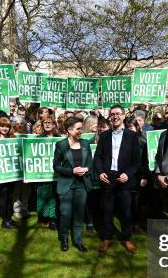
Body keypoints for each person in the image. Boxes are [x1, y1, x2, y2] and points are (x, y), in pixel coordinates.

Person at [94, 104, 140, 254]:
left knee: (125, 211)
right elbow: (98, 157)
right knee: (107, 210)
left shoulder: (132, 136)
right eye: (112, 114)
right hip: (108, 178)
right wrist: (100, 172)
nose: (115, 116)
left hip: (124, 179)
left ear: (124, 116)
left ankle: (126, 238)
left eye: (118, 114)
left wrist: (129, 174)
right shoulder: (105, 135)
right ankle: (107, 237)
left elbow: (137, 161)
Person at [53, 117, 93, 252]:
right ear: (69, 130)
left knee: (79, 214)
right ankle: (64, 237)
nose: (81, 131)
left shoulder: (86, 144)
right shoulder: (61, 145)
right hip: (66, 185)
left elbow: (90, 163)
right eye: (78, 128)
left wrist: (86, 169)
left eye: (81, 128)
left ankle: (77, 241)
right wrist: (72, 171)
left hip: (82, 185)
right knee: (65, 213)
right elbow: (56, 167)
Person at [0, 117, 18, 229]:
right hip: (0, 174)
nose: (5, 128)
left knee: (9, 196)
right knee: (3, 196)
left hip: (11, 173)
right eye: (2, 126)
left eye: (7, 126)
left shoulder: (13, 138)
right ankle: (5, 221)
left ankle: (9, 218)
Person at [124, 117, 150, 232]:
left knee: (136, 202)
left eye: (131, 127)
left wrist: (144, 177)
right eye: (127, 127)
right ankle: (127, 222)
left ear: (137, 128)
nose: (128, 130)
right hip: (125, 175)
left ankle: (135, 222)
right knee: (126, 200)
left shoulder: (143, 142)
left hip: (138, 176)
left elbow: (146, 161)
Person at [37, 116, 60, 229]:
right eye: (45, 123)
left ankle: (52, 219)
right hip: (42, 173)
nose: (47, 125)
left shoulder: (59, 138)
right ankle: (42, 215)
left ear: (54, 125)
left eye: (49, 123)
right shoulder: (37, 139)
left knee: (53, 196)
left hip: (55, 172)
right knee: (42, 194)